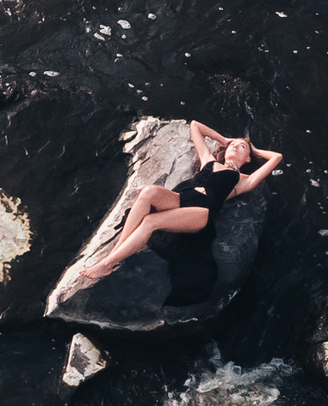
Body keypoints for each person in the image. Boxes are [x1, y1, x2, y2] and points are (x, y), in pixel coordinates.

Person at [70, 121, 282, 303]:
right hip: (181, 197)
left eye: (241, 147)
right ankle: (117, 250)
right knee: (149, 192)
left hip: (200, 211)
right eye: (233, 144)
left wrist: (253, 148)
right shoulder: (208, 160)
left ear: (247, 159)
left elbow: (276, 157)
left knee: (151, 222)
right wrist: (225, 139)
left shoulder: (243, 181)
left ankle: (108, 263)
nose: (236, 146)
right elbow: (195, 126)